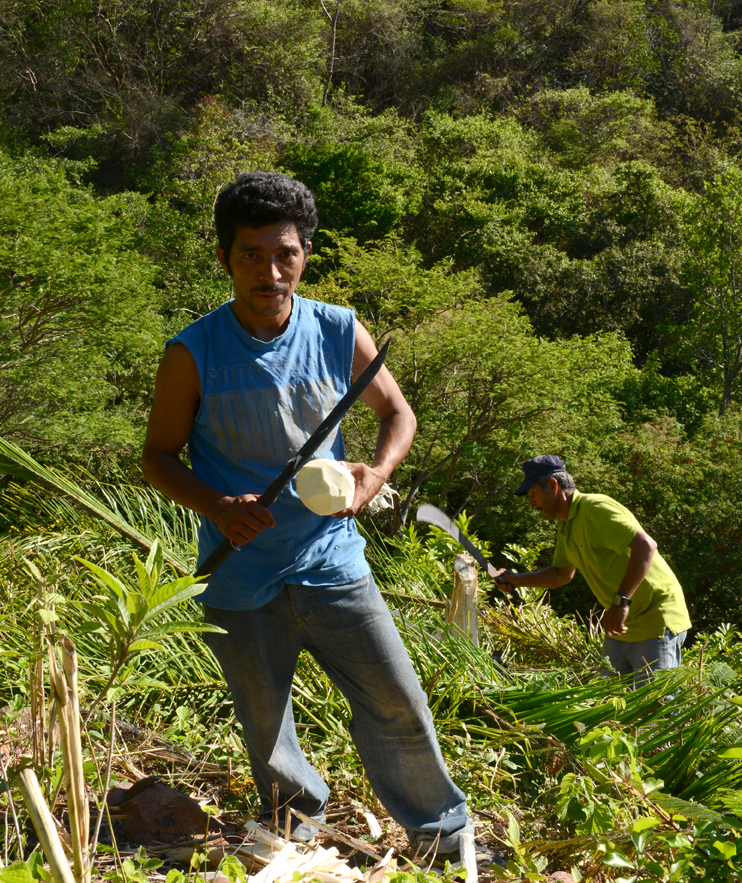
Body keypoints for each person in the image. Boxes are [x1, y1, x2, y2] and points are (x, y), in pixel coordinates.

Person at [140, 172, 469, 858]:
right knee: (266, 723)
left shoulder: (338, 329)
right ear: (225, 258)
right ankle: (296, 825)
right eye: (250, 255)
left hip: (331, 557)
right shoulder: (191, 352)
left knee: (395, 700)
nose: (269, 270)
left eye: (284, 253)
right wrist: (218, 506)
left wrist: (374, 475)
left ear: (305, 252)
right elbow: (158, 457)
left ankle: (441, 834)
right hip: (237, 573)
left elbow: (396, 412)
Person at [493, 455, 691, 686]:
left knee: (657, 709)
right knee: (609, 702)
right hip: (621, 626)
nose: (531, 503)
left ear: (553, 486)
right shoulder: (566, 524)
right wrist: (516, 580)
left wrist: (620, 602)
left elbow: (646, 545)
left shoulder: (595, 509)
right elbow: (561, 574)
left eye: (533, 494)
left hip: (654, 618)